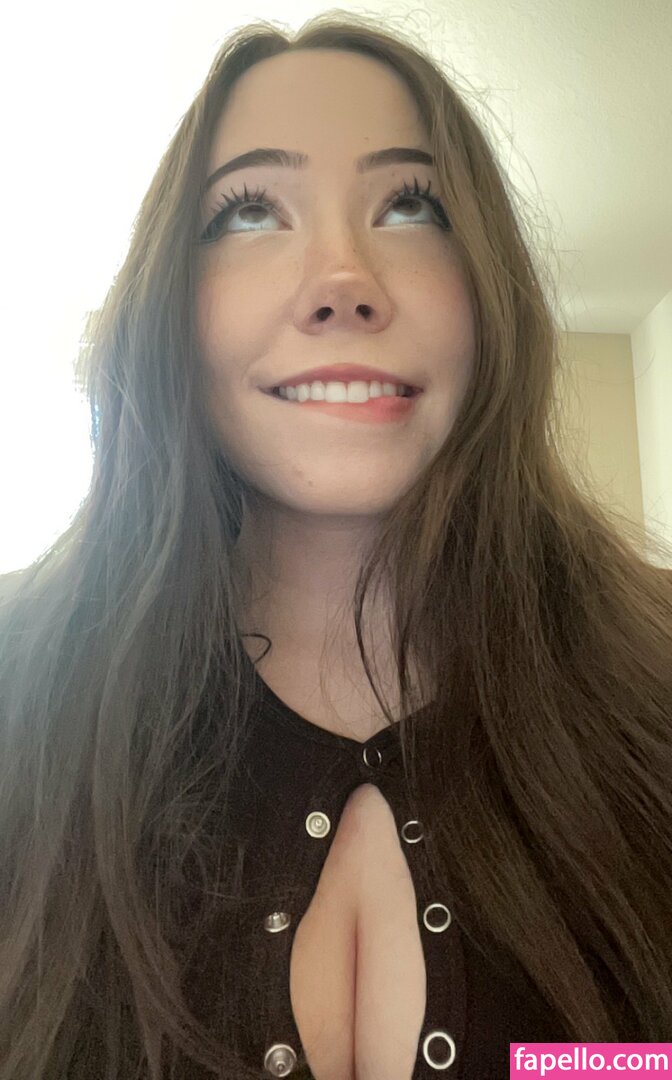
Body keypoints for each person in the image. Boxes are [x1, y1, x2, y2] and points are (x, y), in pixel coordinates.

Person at [1, 12, 671, 1080]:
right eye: (250, 211)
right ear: (169, 307)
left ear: (488, 289)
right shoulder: (17, 692)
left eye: (411, 204)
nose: (343, 279)